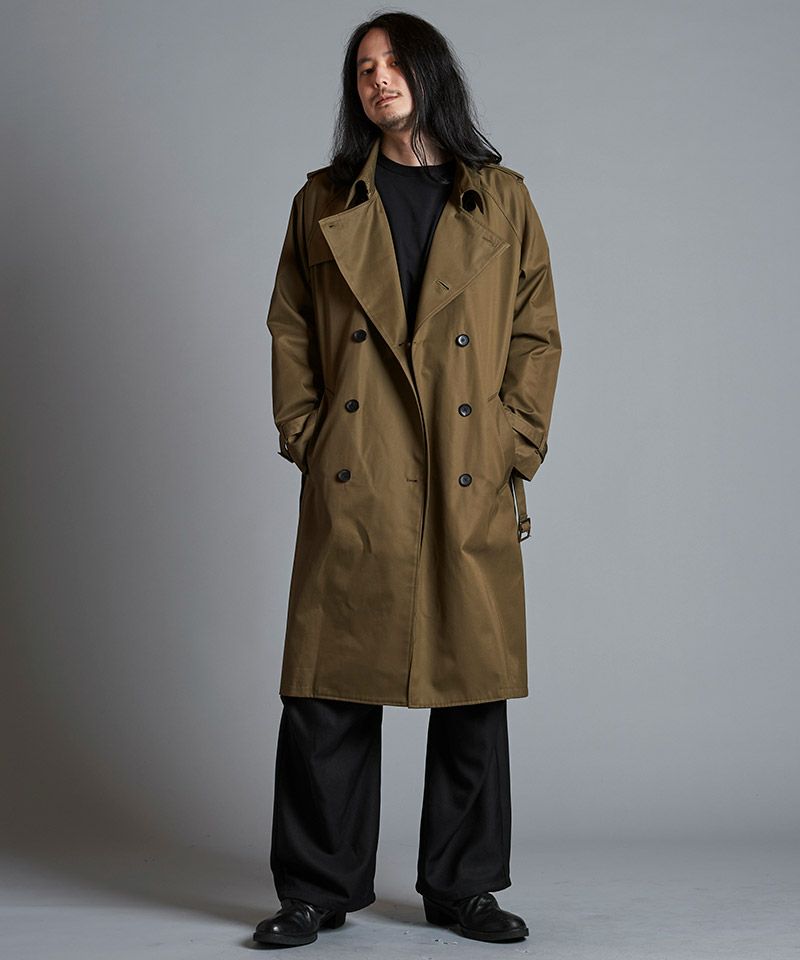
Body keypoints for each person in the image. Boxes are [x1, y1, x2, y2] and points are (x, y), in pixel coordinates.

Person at [254, 10, 561, 948]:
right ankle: (316, 890)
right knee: (327, 688)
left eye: (393, 64)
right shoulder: (323, 200)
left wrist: (512, 442)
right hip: (358, 470)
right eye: (364, 69)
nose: (378, 80)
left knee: (471, 687)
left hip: (466, 468)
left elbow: (535, 333)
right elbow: (290, 325)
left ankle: (463, 889)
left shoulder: (501, 199)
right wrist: (307, 435)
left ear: (431, 75)